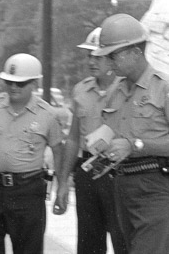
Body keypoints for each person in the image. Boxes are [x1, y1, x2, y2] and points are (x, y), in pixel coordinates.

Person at [0, 53, 65, 254]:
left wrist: (62, 186)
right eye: (9, 82)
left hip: (27, 191)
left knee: (28, 249)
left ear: (34, 84)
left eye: (20, 84)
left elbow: (58, 150)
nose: (13, 87)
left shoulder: (47, 114)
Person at [91, 13, 169, 254]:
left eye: (113, 55)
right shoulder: (117, 90)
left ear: (135, 52)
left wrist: (136, 145)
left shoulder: (163, 88)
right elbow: (116, 133)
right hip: (122, 185)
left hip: (155, 186)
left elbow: (131, 143)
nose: (108, 62)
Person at [54, 28, 127, 254]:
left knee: (123, 239)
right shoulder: (81, 90)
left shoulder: (128, 89)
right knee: (88, 242)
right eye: (89, 56)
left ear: (113, 58)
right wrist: (63, 182)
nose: (91, 61)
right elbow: (74, 138)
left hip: (119, 171)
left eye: (98, 56)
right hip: (88, 173)